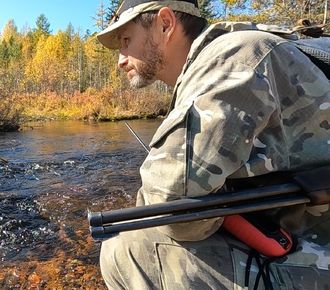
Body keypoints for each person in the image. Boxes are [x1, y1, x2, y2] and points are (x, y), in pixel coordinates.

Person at [95, 0, 330, 289]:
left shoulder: (233, 58)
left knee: (129, 249)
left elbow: (168, 208)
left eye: (126, 40)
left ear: (165, 24)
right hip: (307, 233)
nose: (121, 59)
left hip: (320, 253)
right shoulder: (246, 49)